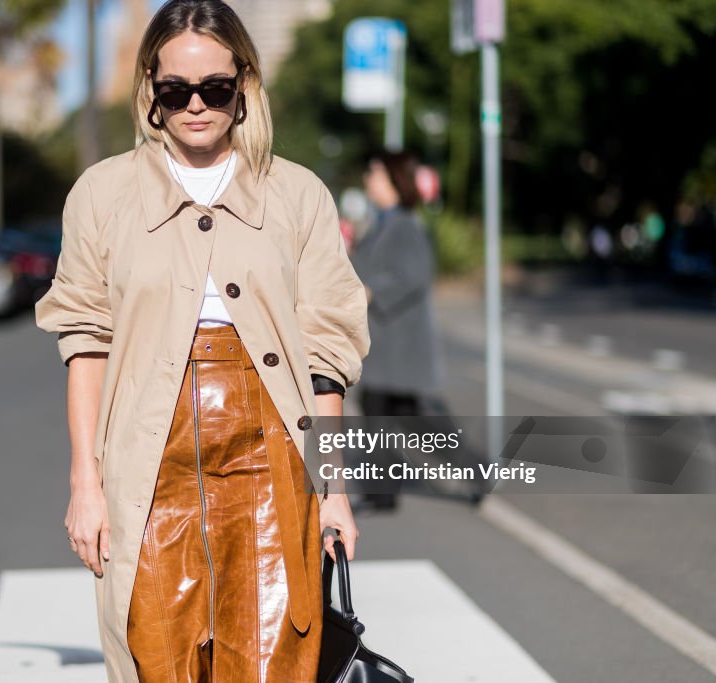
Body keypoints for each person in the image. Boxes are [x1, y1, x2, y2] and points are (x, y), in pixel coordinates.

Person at [34, 1, 369, 680]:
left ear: (244, 86)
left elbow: (325, 357)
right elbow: (86, 345)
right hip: (149, 458)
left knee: (278, 655)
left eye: (214, 89)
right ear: (149, 92)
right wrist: (85, 484)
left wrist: (331, 489)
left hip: (272, 453)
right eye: (174, 90)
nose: (196, 105)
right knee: (158, 655)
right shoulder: (103, 194)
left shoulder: (296, 194)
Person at [351, 150, 445, 507]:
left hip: (400, 345)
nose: (368, 180)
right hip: (384, 345)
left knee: (418, 424)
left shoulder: (405, 224)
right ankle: (381, 496)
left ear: (393, 181)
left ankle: (475, 469)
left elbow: (415, 275)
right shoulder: (382, 223)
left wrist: (374, 291)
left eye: (375, 173)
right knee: (378, 417)